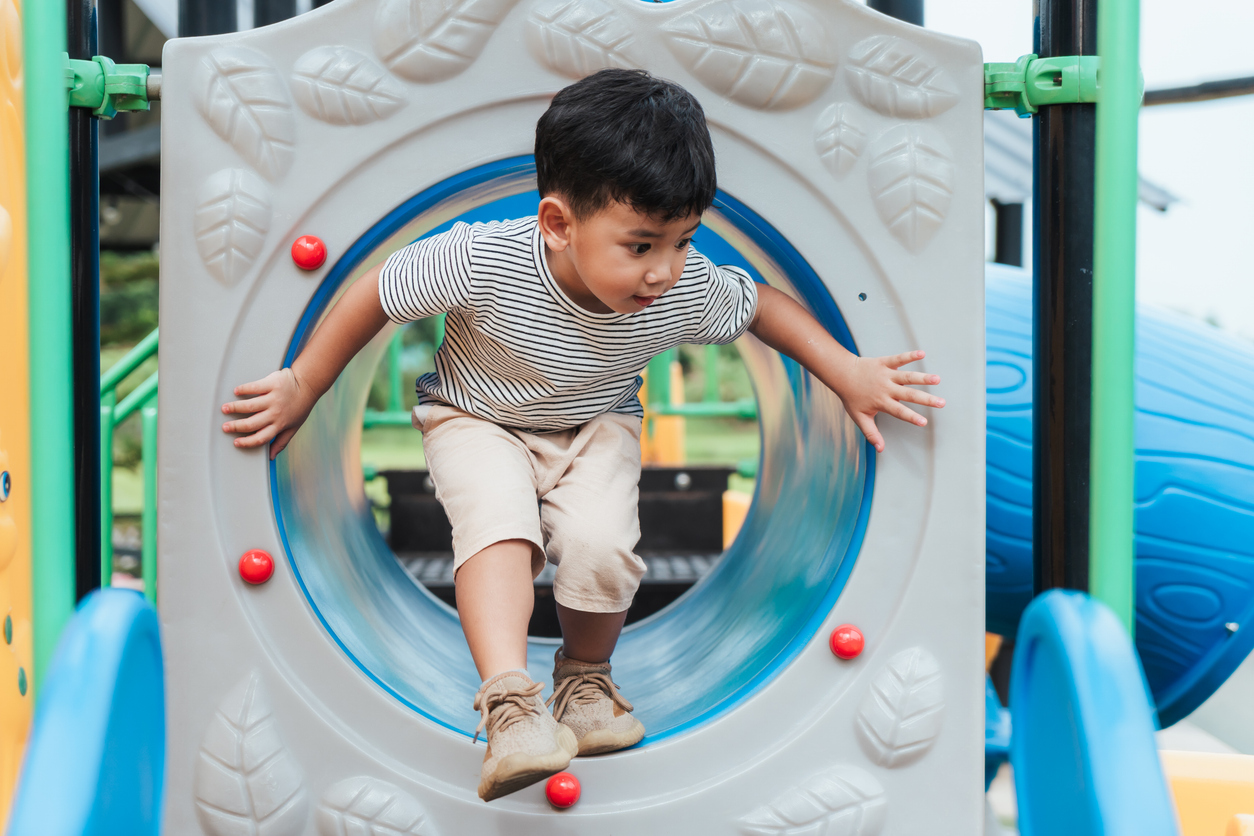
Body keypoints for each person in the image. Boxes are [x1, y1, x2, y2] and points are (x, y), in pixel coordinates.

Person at [220, 68, 944, 802]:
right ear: (560, 223)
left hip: (596, 423)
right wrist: (305, 384)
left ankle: (586, 683)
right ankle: (510, 707)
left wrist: (847, 371)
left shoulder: (679, 287)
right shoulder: (480, 259)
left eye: (685, 241)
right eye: (640, 245)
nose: (665, 270)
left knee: (603, 547)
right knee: (498, 527)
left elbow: (763, 308)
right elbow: (374, 293)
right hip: (476, 416)